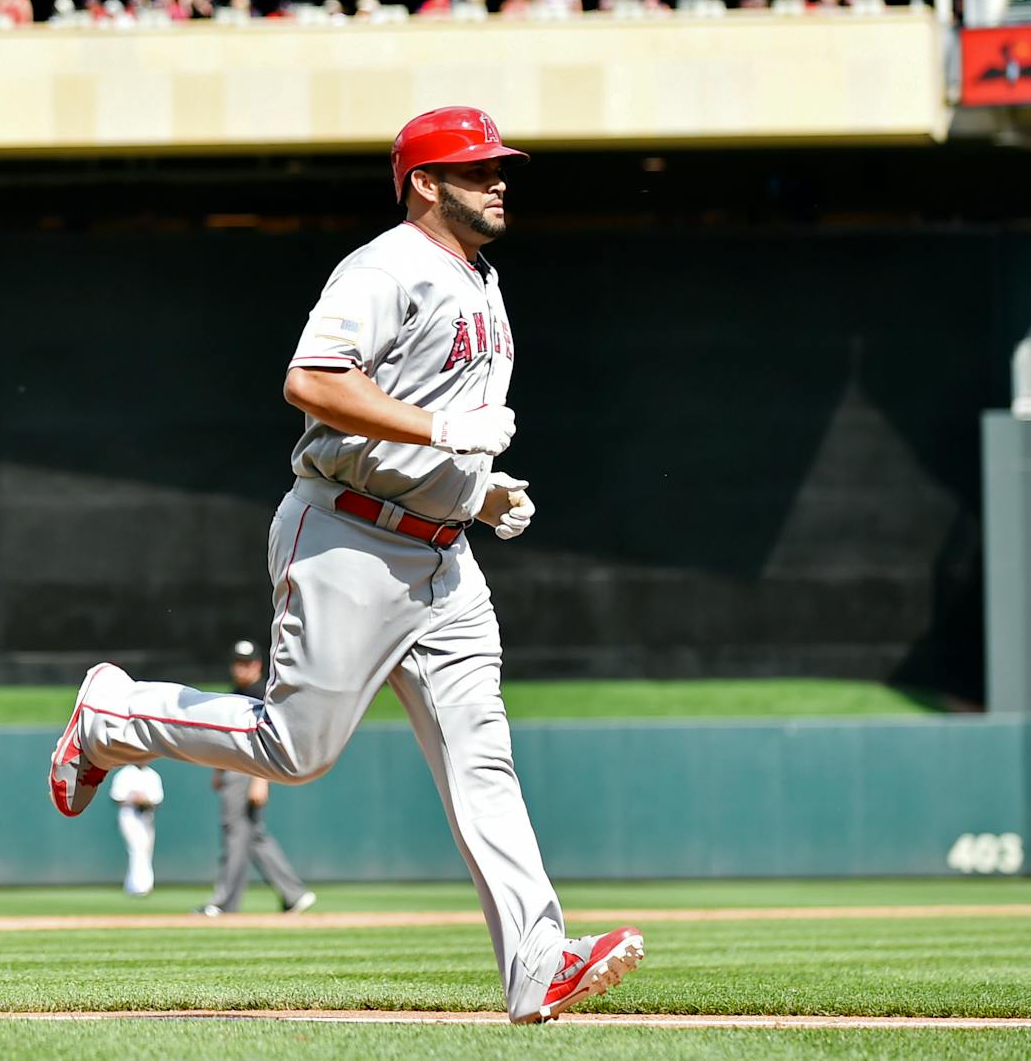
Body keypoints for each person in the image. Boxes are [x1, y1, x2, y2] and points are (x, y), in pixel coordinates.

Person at [47, 106, 645, 1025]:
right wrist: (447, 436)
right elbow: (314, 381)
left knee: (483, 761)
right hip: (350, 539)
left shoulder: (482, 278)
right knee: (294, 750)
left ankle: (537, 963)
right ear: (423, 184)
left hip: (442, 560)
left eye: (499, 166)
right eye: (476, 167)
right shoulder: (384, 267)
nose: (498, 180)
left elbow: (422, 419)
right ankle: (112, 712)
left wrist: (473, 491)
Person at [193, 640, 316, 917]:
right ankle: (293, 893)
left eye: (247, 662)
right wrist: (217, 768)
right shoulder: (236, 692)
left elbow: (267, 742)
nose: (242, 667)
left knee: (235, 833)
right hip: (235, 767)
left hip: (249, 770)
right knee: (253, 835)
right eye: (238, 661)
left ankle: (224, 903)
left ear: (258, 665)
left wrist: (262, 779)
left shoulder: (262, 693)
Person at [107, 763, 163, 896]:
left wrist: (145, 800)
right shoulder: (125, 774)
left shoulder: (152, 775)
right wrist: (134, 799)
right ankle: (138, 887)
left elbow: (157, 800)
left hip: (146, 815)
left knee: (146, 849)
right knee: (137, 847)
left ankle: (141, 885)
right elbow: (116, 797)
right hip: (129, 814)